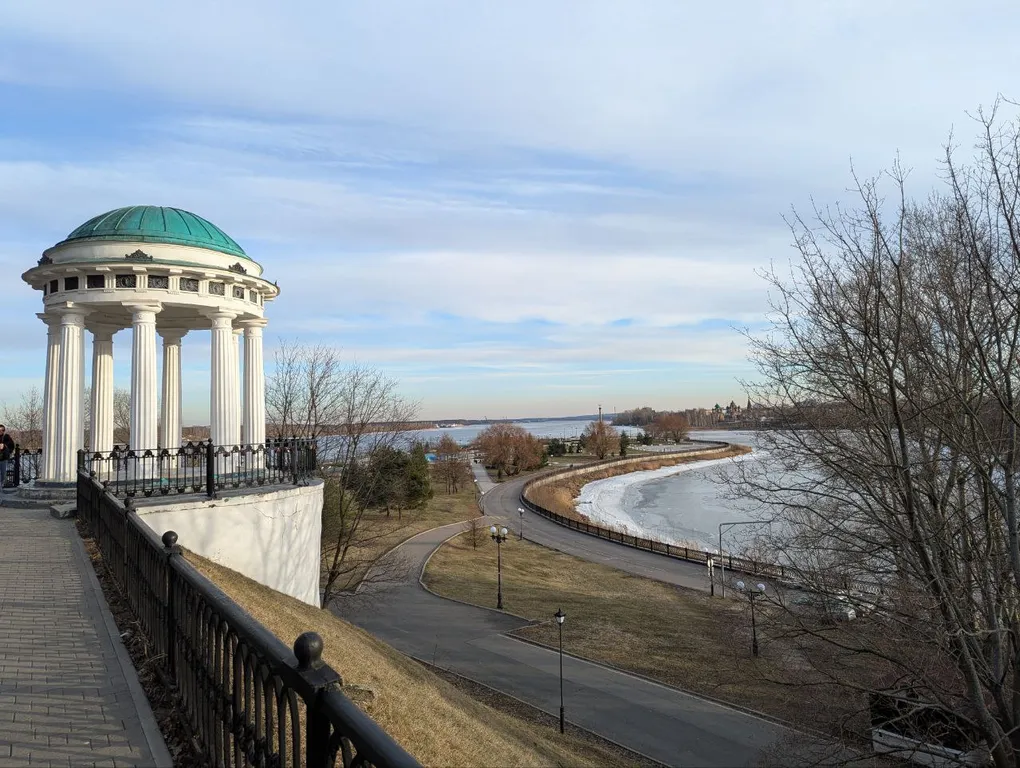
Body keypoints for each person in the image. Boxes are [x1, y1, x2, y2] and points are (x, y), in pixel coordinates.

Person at [0, 425, 14, 489]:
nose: (1, 431)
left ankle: (1, 486)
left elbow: (12, 446)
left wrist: (5, 446)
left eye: (2, 430)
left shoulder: (6, 437)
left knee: (3, 474)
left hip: (3, 458)